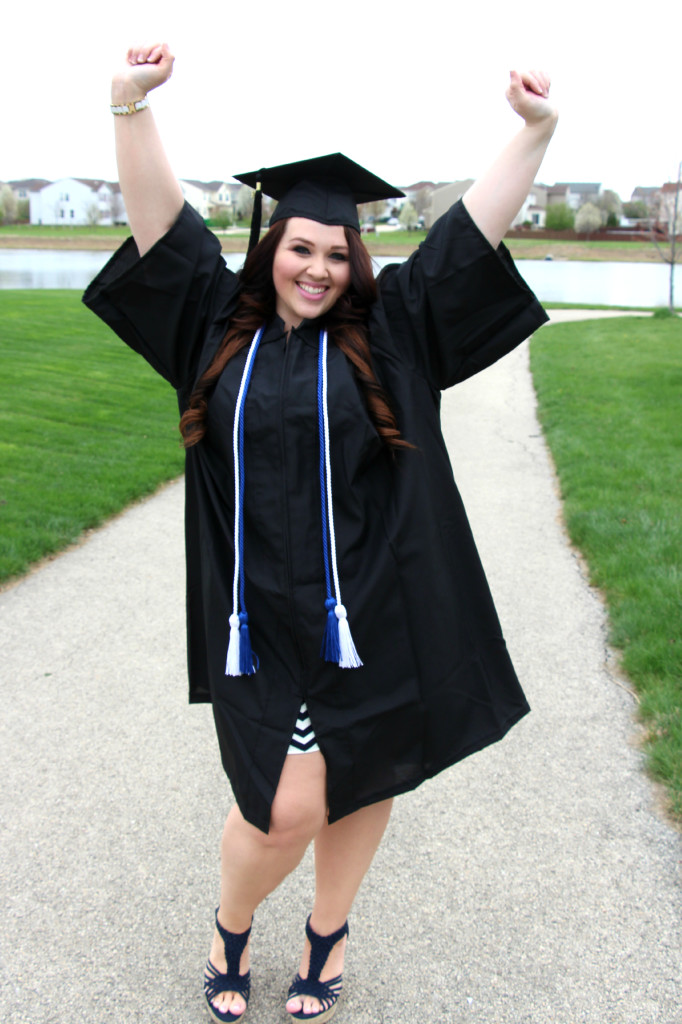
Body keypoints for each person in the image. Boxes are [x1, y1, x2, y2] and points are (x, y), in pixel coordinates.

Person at [83, 43, 557, 1024]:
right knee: (285, 803)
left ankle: (327, 935)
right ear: (270, 249)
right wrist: (130, 106)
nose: (318, 267)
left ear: (356, 261)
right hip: (259, 621)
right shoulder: (212, 326)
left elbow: (468, 236)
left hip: (372, 611)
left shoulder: (393, 333)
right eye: (301, 247)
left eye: (338, 253)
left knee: (365, 775)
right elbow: (160, 226)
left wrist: (532, 132)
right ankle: (229, 924)